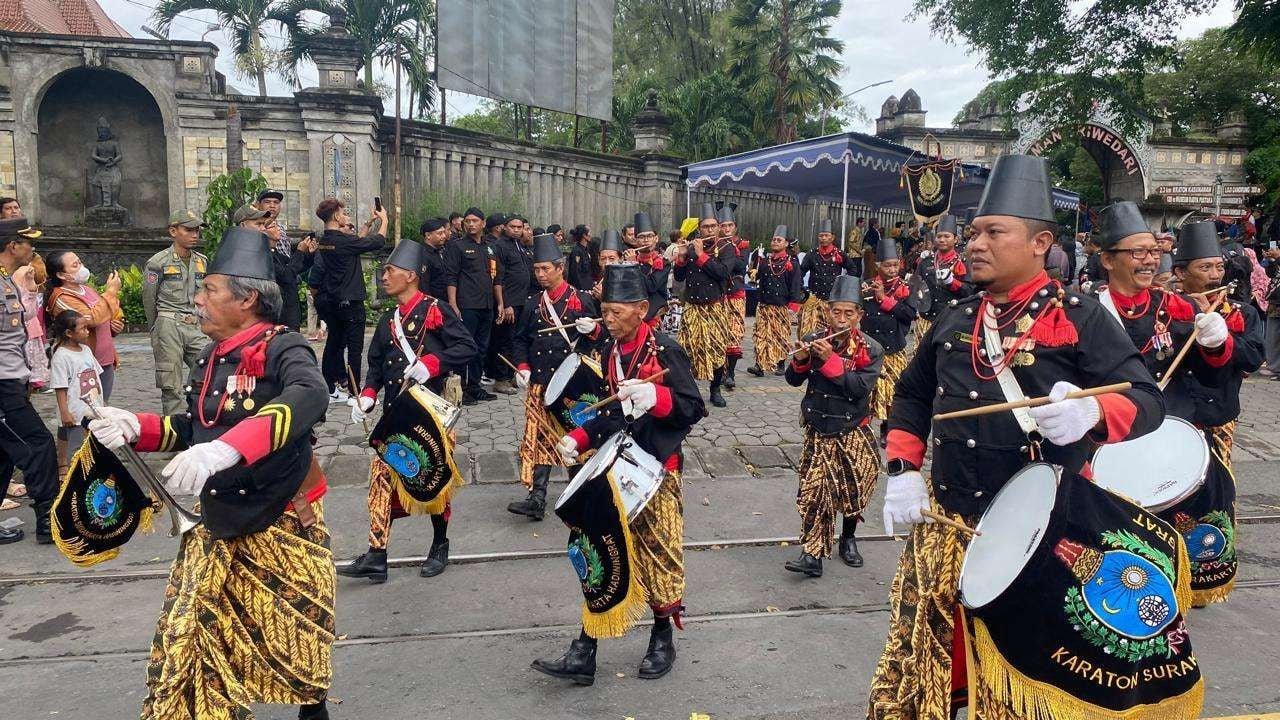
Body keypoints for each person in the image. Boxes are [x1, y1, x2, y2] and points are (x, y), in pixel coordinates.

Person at [867, 155, 1166, 719]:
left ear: (1039, 243)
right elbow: (910, 396)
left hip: (1043, 533)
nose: (975, 244)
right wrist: (904, 473)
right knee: (918, 667)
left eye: (992, 232)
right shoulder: (956, 316)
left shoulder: (1080, 315)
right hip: (950, 523)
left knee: (1020, 679)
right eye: (974, 233)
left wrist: (1091, 413)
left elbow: (1148, 400)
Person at [87, 227, 334, 719]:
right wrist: (138, 427)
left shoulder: (285, 348)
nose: (197, 299)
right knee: (193, 635)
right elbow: (193, 426)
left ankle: (313, 710)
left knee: (296, 634)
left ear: (246, 299)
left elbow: (310, 396)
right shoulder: (211, 355)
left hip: (280, 515)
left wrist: (225, 450)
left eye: (208, 290)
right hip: (218, 519)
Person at [534, 262, 704, 685]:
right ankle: (585, 648)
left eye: (615, 312)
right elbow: (612, 414)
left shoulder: (664, 349)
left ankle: (663, 635)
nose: (607, 319)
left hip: (657, 471)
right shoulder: (610, 352)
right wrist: (579, 435)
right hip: (617, 463)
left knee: (658, 554)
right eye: (604, 310)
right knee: (601, 550)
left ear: (642, 308)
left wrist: (656, 395)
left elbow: (691, 408)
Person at [341, 240, 478, 583]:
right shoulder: (389, 318)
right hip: (395, 414)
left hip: (431, 412)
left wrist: (431, 364)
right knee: (380, 480)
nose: (383, 276)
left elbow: (467, 346)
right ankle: (376, 554)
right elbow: (374, 365)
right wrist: (368, 396)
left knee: (434, 481)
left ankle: (439, 544)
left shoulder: (436, 309)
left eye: (389, 271)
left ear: (411, 276)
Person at [1169, 219, 1264, 604]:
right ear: (1180, 272)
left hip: (1217, 415)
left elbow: (1255, 357)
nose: (1214, 275)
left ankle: (1206, 578)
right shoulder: (1166, 309)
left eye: (1218, 267)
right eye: (1204, 268)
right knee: (1166, 496)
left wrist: (1224, 340)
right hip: (1171, 418)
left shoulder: (1242, 311)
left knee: (1213, 495)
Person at [784, 274, 882, 575]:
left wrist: (828, 362)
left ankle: (848, 537)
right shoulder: (814, 338)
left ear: (859, 315)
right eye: (836, 312)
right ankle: (812, 555)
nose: (841, 319)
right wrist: (800, 360)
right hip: (818, 428)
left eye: (848, 313)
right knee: (815, 491)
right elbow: (793, 379)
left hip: (852, 427)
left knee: (854, 488)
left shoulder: (871, 348)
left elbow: (857, 388)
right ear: (827, 311)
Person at [507, 233, 603, 519]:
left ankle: (580, 493)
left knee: (575, 437)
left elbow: (601, 340)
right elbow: (520, 340)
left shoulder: (581, 300)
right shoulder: (532, 303)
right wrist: (522, 366)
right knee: (538, 438)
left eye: (546, 269)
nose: (540, 274)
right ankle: (537, 497)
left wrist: (593, 331)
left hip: (572, 386)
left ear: (560, 268)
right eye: (536, 269)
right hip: (540, 383)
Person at [0, 218, 57, 544]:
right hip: (2, 386)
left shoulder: (7, 282)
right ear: (13, 246)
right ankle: (48, 522)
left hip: (11, 380)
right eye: (27, 242)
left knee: (4, 454)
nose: (32, 248)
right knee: (38, 445)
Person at [313, 198, 386, 402]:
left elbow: (356, 244)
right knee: (355, 348)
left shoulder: (325, 240)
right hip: (351, 303)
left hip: (333, 301)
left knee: (334, 343)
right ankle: (355, 393)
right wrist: (385, 219)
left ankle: (329, 388)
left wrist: (369, 223)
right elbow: (377, 242)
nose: (346, 217)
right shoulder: (342, 241)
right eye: (344, 213)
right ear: (336, 216)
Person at [143, 210, 211, 414]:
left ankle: (201, 417)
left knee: (207, 370)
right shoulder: (158, 262)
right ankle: (175, 430)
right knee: (170, 382)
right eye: (189, 230)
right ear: (173, 231)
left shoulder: (202, 260)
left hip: (195, 323)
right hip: (169, 323)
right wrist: (155, 327)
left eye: (197, 230)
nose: (195, 234)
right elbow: (149, 297)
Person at [674, 203, 736, 407]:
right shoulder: (691, 248)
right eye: (705, 227)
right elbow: (680, 277)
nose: (709, 230)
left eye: (713, 226)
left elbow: (722, 272)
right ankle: (688, 390)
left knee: (717, 349)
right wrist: (682, 257)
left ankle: (715, 389)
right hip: (692, 308)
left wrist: (700, 255)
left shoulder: (727, 248)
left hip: (714, 308)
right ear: (699, 229)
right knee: (688, 349)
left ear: (718, 227)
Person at [860, 236, 918, 442]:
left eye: (895, 265)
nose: (892, 270)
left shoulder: (905, 288)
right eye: (887, 266)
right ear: (878, 266)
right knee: (868, 389)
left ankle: (888, 427)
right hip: (869, 347)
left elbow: (909, 314)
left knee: (893, 391)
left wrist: (885, 300)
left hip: (894, 348)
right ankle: (862, 423)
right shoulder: (866, 286)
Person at [44, 251, 121, 402]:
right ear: (61, 274)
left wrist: (113, 326)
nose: (81, 267)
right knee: (85, 410)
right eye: (75, 265)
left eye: (80, 262)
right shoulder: (62, 298)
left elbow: (106, 312)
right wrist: (111, 291)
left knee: (102, 406)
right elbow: (92, 319)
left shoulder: (87, 290)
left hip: (105, 360)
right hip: (83, 364)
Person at [444, 206, 501, 404]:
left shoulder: (490, 247)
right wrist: (452, 303)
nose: (470, 224)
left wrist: (500, 304)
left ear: (483, 224)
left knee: (481, 348)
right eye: (467, 221)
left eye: (475, 221)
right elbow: (451, 276)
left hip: (487, 305)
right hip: (467, 305)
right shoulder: (457, 246)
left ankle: (475, 386)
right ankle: (462, 390)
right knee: (466, 347)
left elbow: (497, 278)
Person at [48, 309, 102, 473]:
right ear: (69, 333)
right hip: (76, 413)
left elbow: (96, 377)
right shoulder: (61, 356)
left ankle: (92, 471)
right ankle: (76, 478)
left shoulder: (85, 350)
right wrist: (65, 412)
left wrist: (101, 404)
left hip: (93, 409)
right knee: (77, 447)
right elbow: (60, 387)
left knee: (94, 442)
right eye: (83, 329)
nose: (87, 331)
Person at [747, 226, 802, 377]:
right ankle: (759, 365)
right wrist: (752, 268)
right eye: (774, 240)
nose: (775, 242)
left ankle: (780, 363)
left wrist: (793, 306)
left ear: (785, 244)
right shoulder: (765, 261)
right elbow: (756, 277)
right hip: (764, 304)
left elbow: (796, 284)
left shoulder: (792, 263)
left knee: (780, 335)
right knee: (760, 334)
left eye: (779, 240)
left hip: (781, 305)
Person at [489, 214, 534, 395]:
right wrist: (505, 304)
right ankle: (501, 379)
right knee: (505, 341)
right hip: (510, 303)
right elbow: (499, 278)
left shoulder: (519, 245)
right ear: (504, 227)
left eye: (519, 227)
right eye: (513, 227)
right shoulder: (499, 246)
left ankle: (512, 375)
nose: (516, 230)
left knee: (517, 340)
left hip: (522, 300)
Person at [915, 214, 972, 340]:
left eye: (947, 236)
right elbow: (917, 285)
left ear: (955, 239)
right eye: (939, 236)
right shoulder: (925, 262)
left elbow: (970, 291)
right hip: (927, 320)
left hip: (953, 318)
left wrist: (952, 282)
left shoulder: (963, 263)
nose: (942, 240)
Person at [265, 213, 318, 331]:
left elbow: (296, 269)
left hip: (291, 309)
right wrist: (299, 252)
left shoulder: (276, 253)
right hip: (281, 313)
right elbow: (287, 276)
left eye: (277, 225)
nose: (278, 228)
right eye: (273, 226)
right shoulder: (266, 255)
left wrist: (309, 254)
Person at [797, 218, 847, 338]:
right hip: (813, 300)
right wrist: (801, 289)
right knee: (807, 330)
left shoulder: (839, 254)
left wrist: (845, 286)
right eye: (821, 236)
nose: (823, 238)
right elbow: (800, 272)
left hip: (831, 300)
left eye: (826, 235)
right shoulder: (812, 254)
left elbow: (853, 269)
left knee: (829, 330)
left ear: (832, 237)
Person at [716, 203, 748, 390]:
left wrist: (728, 254)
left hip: (735, 294)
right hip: (719, 295)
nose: (726, 229)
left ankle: (732, 373)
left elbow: (740, 266)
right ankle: (720, 371)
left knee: (734, 333)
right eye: (723, 226)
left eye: (729, 225)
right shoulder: (714, 244)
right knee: (719, 333)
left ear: (735, 226)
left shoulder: (742, 245)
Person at [631, 212, 670, 329]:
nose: (646, 240)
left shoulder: (662, 262)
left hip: (652, 314)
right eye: (641, 237)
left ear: (656, 238)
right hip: (632, 314)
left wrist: (634, 265)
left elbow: (651, 286)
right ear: (635, 240)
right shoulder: (629, 261)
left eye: (650, 236)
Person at [419, 217, 451, 299]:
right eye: (439, 233)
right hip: (433, 303)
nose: (444, 236)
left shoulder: (439, 251)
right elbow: (423, 285)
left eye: (444, 233)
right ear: (428, 235)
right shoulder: (423, 254)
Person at [566, 224, 595, 291]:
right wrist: (581, 290)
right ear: (584, 235)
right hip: (580, 289)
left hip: (588, 286)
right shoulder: (577, 251)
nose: (591, 235)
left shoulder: (587, 249)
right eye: (589, 232)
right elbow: (576, 273)